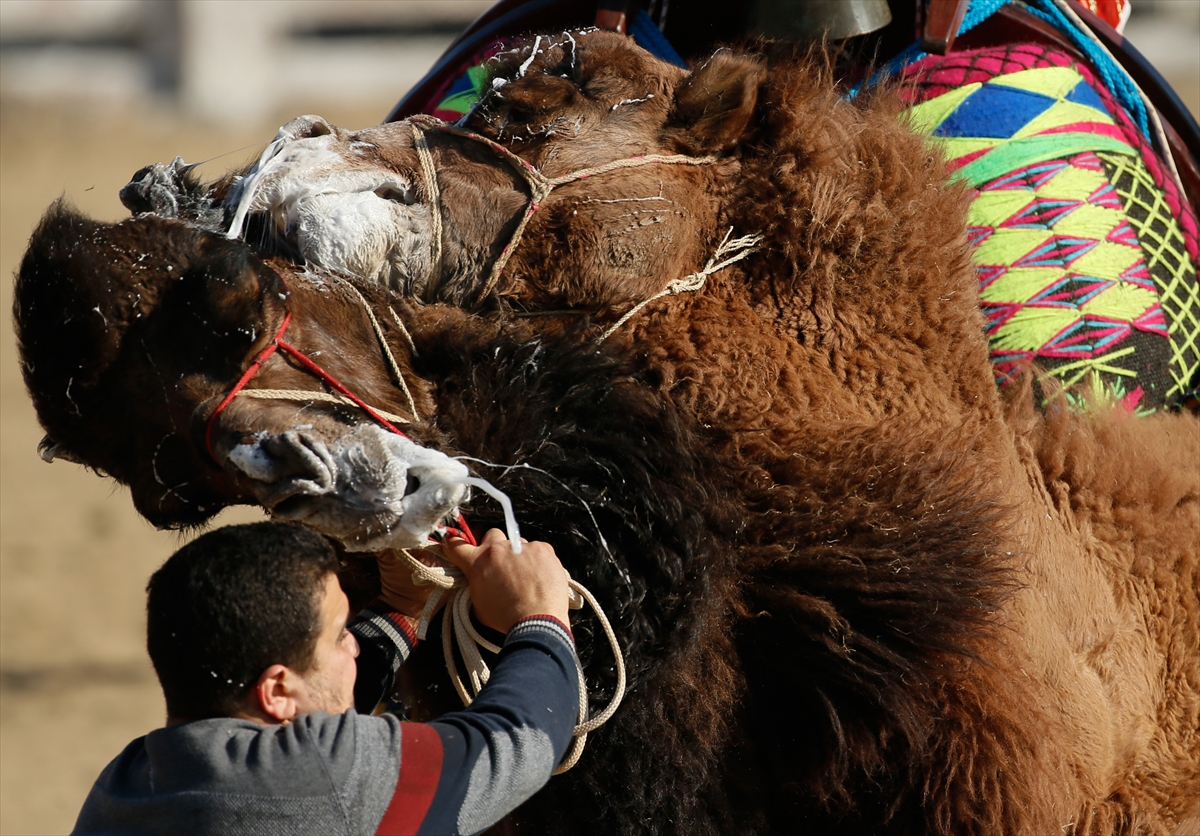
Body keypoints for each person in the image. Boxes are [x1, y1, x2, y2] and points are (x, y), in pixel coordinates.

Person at [72, 521, 579, 836]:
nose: (355, 643)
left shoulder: (126, 784)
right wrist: (537, 612)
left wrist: (402, 607)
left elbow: (307, 726)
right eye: (340, 635)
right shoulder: (328, 778)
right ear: (276, 690)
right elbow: (517, 745)